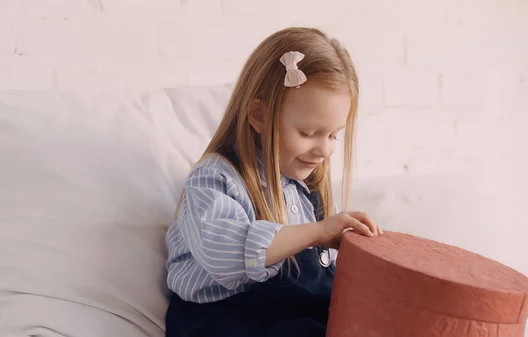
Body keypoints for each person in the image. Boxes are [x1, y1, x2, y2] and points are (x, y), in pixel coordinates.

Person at [164, 27, 383, 337]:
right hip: (227, 319)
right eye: (308, 133)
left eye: (334, 135)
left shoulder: (309, 190)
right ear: (259, 116)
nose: (325, 149)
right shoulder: (216, 178)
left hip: (293, 316)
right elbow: (223, 254)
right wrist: (317, 233)